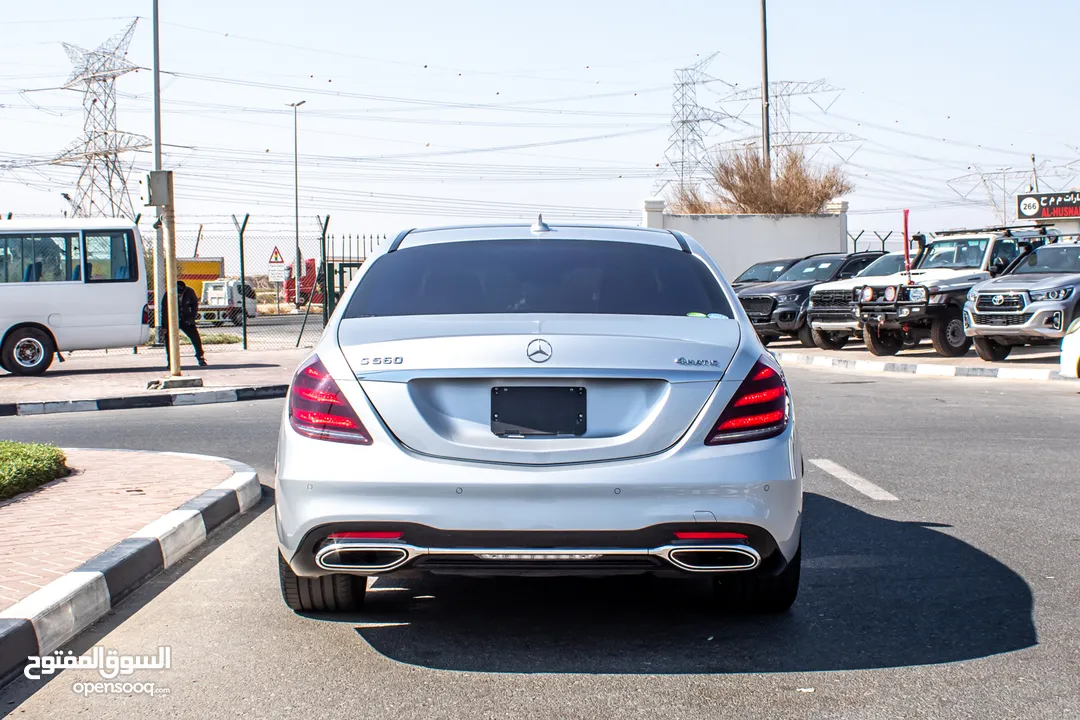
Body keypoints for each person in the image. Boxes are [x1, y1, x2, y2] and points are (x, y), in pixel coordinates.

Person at [161, 280, 207, 367]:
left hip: (186, 319)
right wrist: (164, 326)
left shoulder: (189, 292)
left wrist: (192, 318)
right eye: (178, 294)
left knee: (195, 337)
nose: (180, 295)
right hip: (172, 319)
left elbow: (194, 305)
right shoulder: (168, 295)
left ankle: (200, 357)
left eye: (181, 293)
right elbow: (164, 311)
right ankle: (171, 361)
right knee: (169, 340)